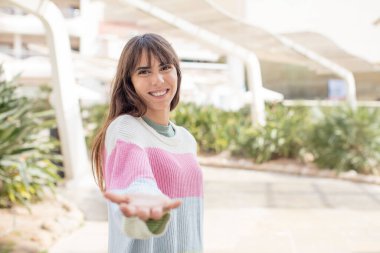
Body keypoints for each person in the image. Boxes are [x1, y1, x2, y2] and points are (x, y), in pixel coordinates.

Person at [91, 33, 203, 253]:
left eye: (165, 67)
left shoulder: (186, 140)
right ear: (129, 82)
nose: (158, 79)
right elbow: (136, 178)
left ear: (177, 73)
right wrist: (144, 200)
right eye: (144, 71)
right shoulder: (126, 127)